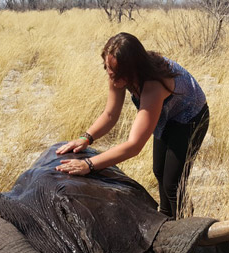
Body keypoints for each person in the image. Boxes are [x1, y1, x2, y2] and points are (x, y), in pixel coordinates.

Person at [55, 32, 209, 219]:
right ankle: (168, 218)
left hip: (190, 116)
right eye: (108, 72)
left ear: (133, 69)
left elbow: (134, 145)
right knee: (159, 170)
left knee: (173, 183)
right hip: (166, 114)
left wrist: (89, 164)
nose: (113, 81)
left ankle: (188, 228)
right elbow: (110, 114)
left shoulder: (153, 86)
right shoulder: (119, 73)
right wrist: (86, 137)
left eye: (116, 76)